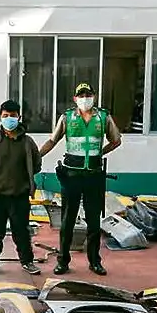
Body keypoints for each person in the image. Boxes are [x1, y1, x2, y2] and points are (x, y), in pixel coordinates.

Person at [39, 83, 122, 276]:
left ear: (93, 96)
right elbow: (52, 140)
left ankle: (95, 261)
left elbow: (116, 140)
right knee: (67, 221)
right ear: (75, 99)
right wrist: (36, 156)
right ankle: (63, 261)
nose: (85, 98)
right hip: (72, 176)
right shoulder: (67, 117)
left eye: (88, 94)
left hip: (94, 176)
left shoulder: (103, 117)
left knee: (94, 222)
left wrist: (100, 153)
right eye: (81, 95)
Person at [0, 100, 42, 276]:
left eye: (12, 116)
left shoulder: (28, 143)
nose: (9, 119)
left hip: (20, 196)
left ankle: (27, 262)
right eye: (5, 116)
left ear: (19, 117)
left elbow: (36, 164)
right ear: (0, 117)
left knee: (21, 232)